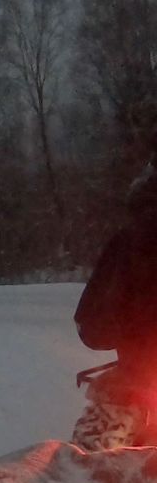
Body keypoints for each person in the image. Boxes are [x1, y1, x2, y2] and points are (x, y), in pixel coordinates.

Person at [72, 159, 157, 451]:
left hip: (134, 380)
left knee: (86, 473)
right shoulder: (128, 243)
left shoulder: (126, 242)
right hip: (136, 386)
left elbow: (91, 326)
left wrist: (130, 330)